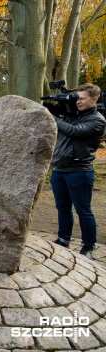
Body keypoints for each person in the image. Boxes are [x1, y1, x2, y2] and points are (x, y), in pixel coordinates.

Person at [51, 83, 106, 260]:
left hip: (79, 171)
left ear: (94, 99)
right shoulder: (71, 116)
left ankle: (88, 246)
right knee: (62, 208)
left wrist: (54, 118)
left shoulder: (98, 120)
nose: (78, 102)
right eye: (77, 98)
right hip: (59, 169)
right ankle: (63, 238)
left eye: (82, 98)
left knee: (83, 210)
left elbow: (75, 132)